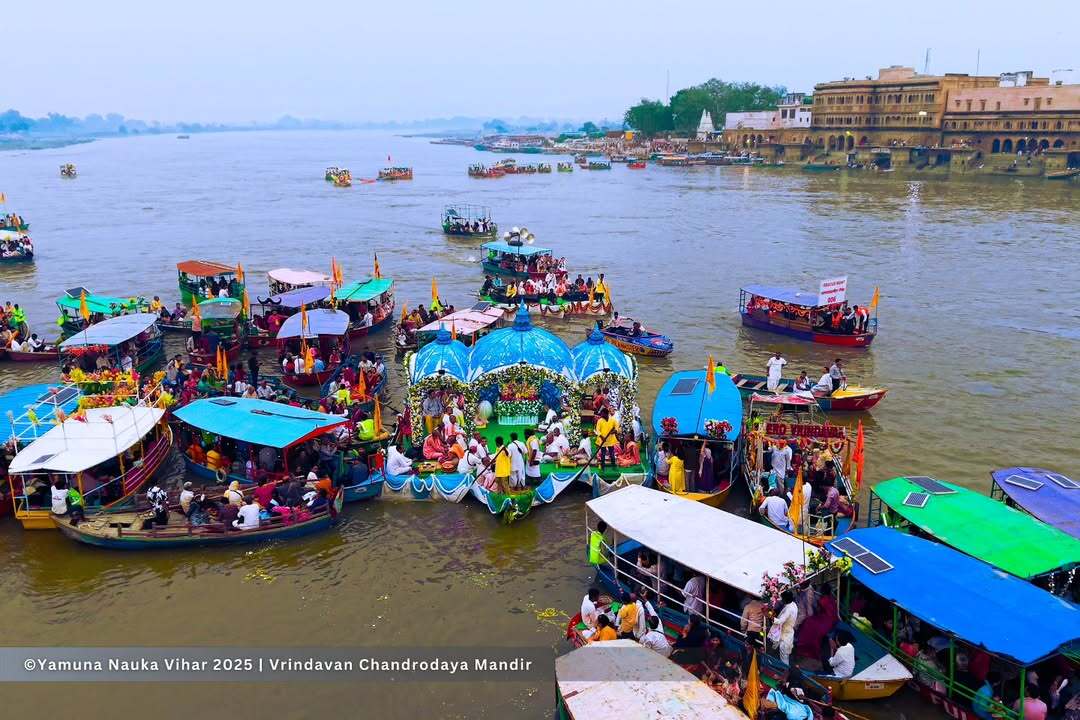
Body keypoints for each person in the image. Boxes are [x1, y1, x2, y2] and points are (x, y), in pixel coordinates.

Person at [773, 590, 799, 665]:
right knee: (784, 652)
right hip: (788, 632)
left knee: (784, 655)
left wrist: (770, 616)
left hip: (785, 634)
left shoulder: (788, 609)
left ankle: (785, 672)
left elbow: (780, 621)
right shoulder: (793, 604)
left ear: (785, 599)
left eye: (782, 598)